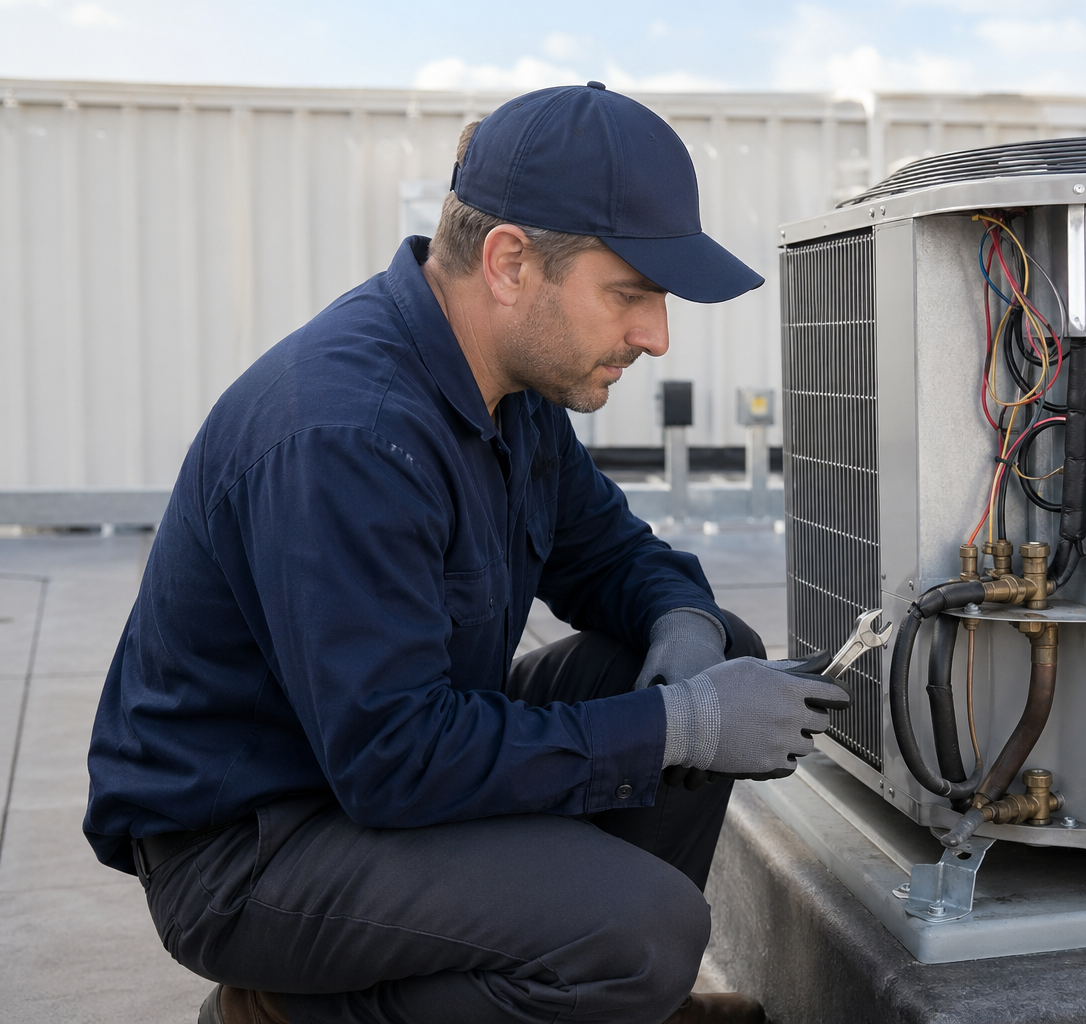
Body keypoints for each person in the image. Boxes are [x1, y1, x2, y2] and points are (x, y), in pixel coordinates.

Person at [83, 82, 848, 1024]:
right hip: (254, 844)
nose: (654, 336)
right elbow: (393, 757)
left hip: (376, 772)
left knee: (713, 648)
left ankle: (603, 997)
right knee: (646, 930)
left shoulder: (509, 392)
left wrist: (684, 624)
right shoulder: (349, 435)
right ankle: (288, 1013)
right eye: (629, 293)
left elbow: (610, 556)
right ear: (509, 263)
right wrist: (679, 727)